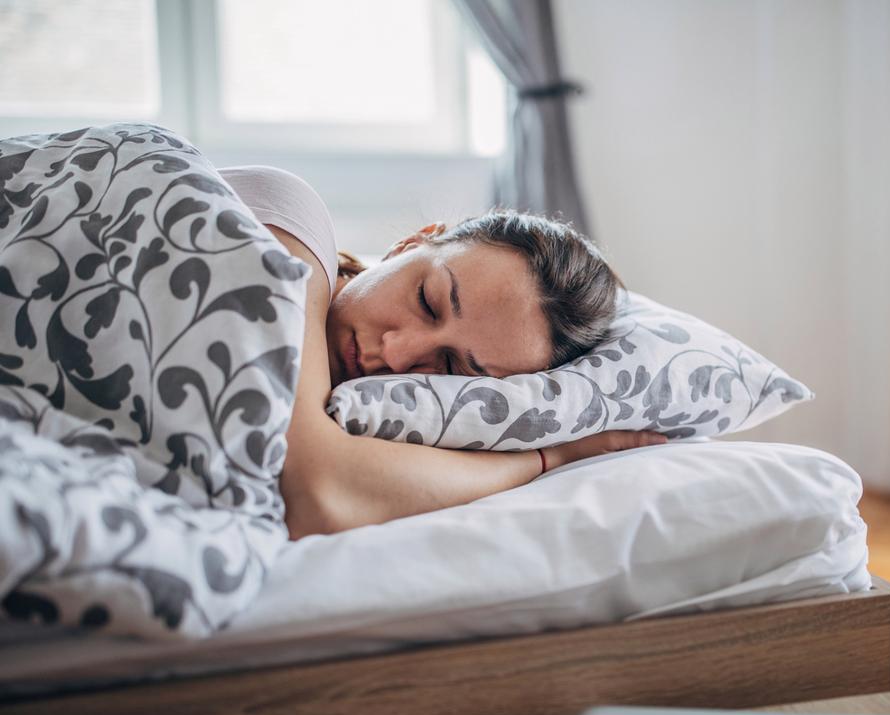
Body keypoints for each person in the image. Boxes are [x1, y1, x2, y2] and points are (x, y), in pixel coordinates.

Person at [218, 166, 665, 539]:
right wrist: (546, 460)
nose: (396, 355)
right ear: (413, 242)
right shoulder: (287, 221)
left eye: (452, 367)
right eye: (427, 301)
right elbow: (320, 497)